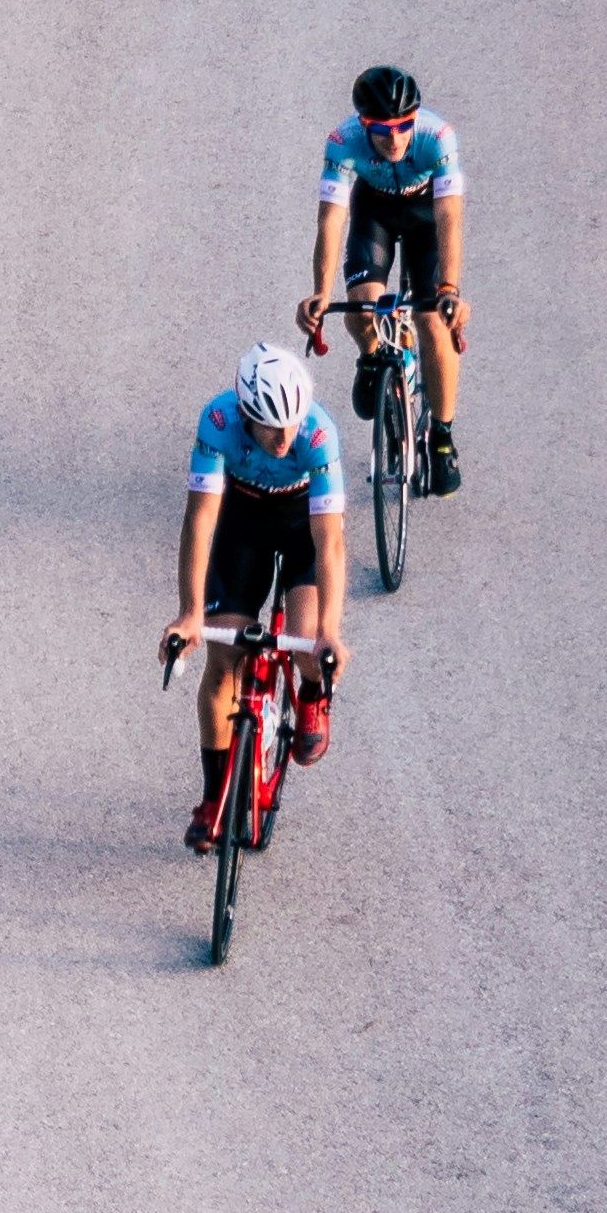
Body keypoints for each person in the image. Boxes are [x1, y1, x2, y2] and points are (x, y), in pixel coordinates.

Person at [162, 339, 347, 849]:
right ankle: (212, 800)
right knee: (224, 662)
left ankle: (311, 696)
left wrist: (329, 633)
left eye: (291, 423)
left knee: (308, 643)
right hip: (241, 524)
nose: (285, 437)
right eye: (271, 426)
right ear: (246, 415)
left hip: (302, 526)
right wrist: (190, 613)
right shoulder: (217, 423)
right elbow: (200, 520)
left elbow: (329, 542)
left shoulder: (318, 432)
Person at [301, 62, 468, 492]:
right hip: (373, 210)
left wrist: (449, 288)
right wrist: (321, 292)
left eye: (403, 126)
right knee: (362, 309)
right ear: (363, 123)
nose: (393, 139)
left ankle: (443, 439)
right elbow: (331, 220)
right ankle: (374, 354)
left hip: (425, 214)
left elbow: (449, 215)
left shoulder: (438, 137)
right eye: (381, 128)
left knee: (434, 321)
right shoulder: (343, 142)